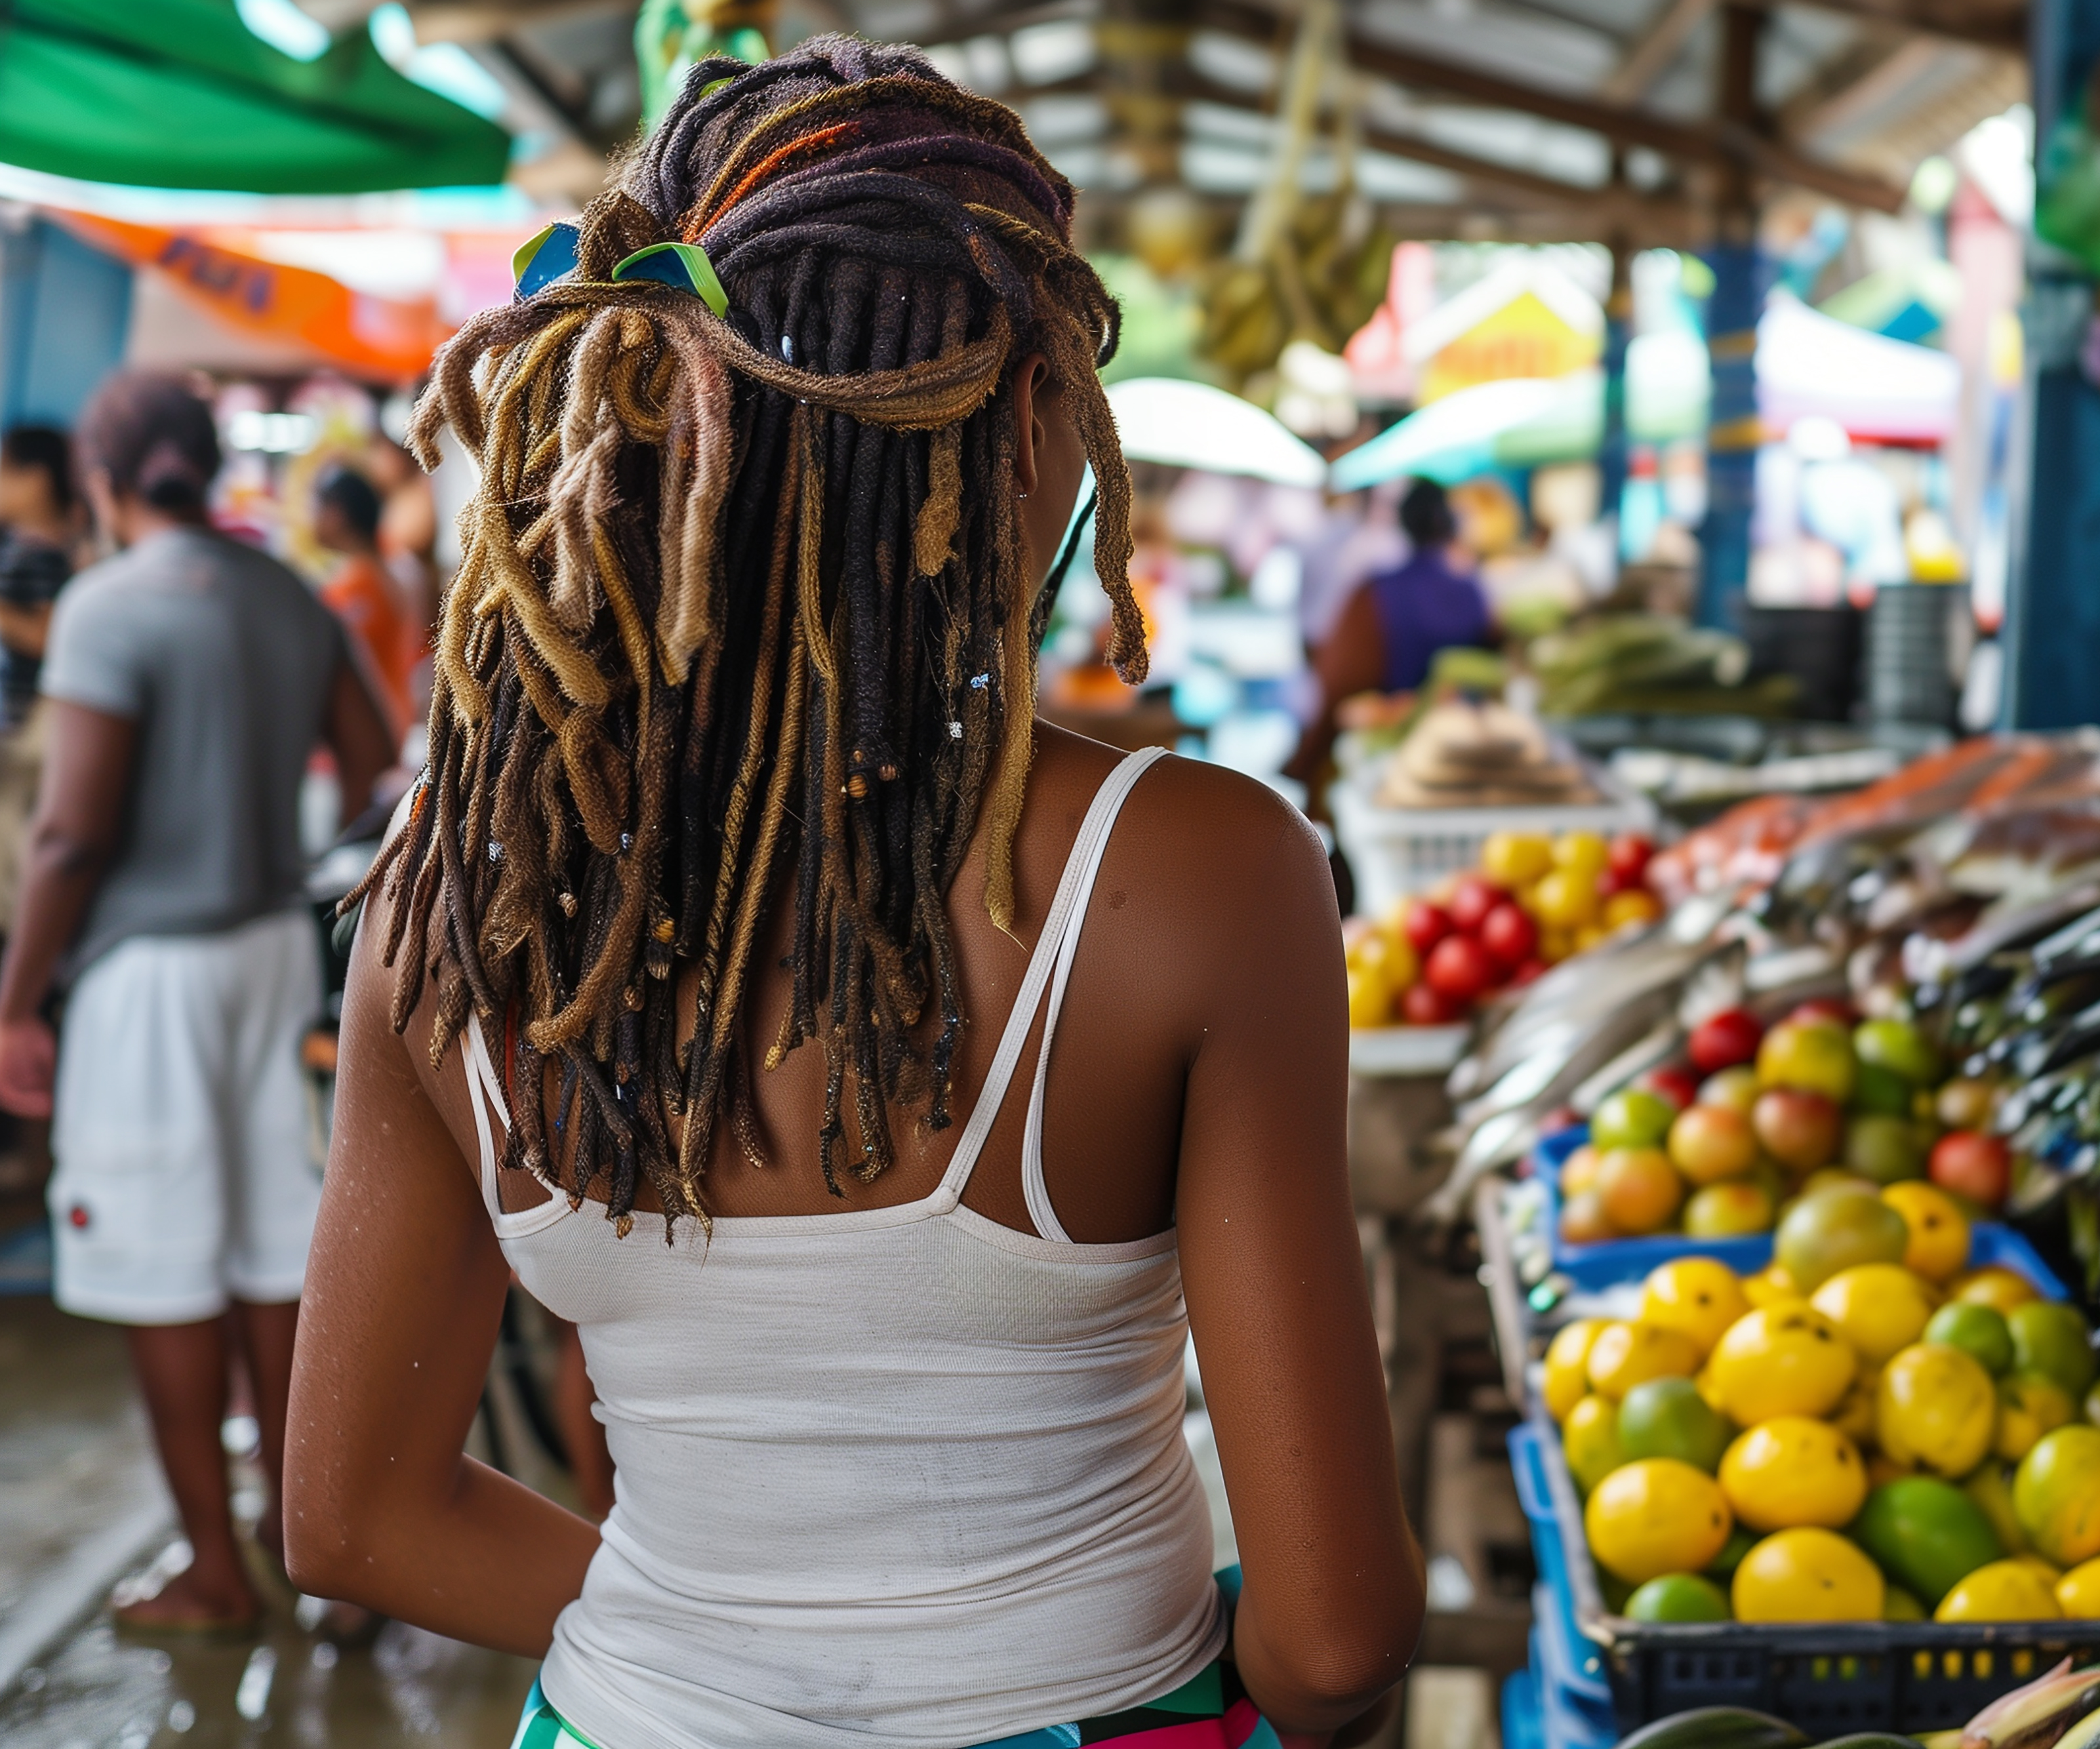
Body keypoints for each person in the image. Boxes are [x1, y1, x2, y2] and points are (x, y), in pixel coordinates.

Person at [282, 40, 1421, 1749]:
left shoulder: (453, 898)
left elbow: (355, 1514)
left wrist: (732, 1660)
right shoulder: (1201, 870)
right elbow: (1335, 1643)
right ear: (1021, 415)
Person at [0, 372, 395, 1631]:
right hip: (271, 953)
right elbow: (378, 759)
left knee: (163, 1265)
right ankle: (308, 1544)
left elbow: (67, 835)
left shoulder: (106, 606)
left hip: (143, 978)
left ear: (107, 485)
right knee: (276, 1250)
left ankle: (216, 1573)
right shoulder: (286, 593)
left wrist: (15, 1002)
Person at [1284, 477, 1491, 791]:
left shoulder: (1377, 592)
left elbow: (1340, 677)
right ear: (1451, 525)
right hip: (1464, 748)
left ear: (1404, 524)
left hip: (1389, 751)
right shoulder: (1473, 593)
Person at [0, 426, 79, 932]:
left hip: (31, 728)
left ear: (38, 480)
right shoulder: (23, 547)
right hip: (20, 724)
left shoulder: (45, 555)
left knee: (14, 852)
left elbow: (49, 638)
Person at [313, 464, 421, 731]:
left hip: (370, 732)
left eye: (316, 508)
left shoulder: (353, 587)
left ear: (336, 514)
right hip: (396, 721)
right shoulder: (391, 569)